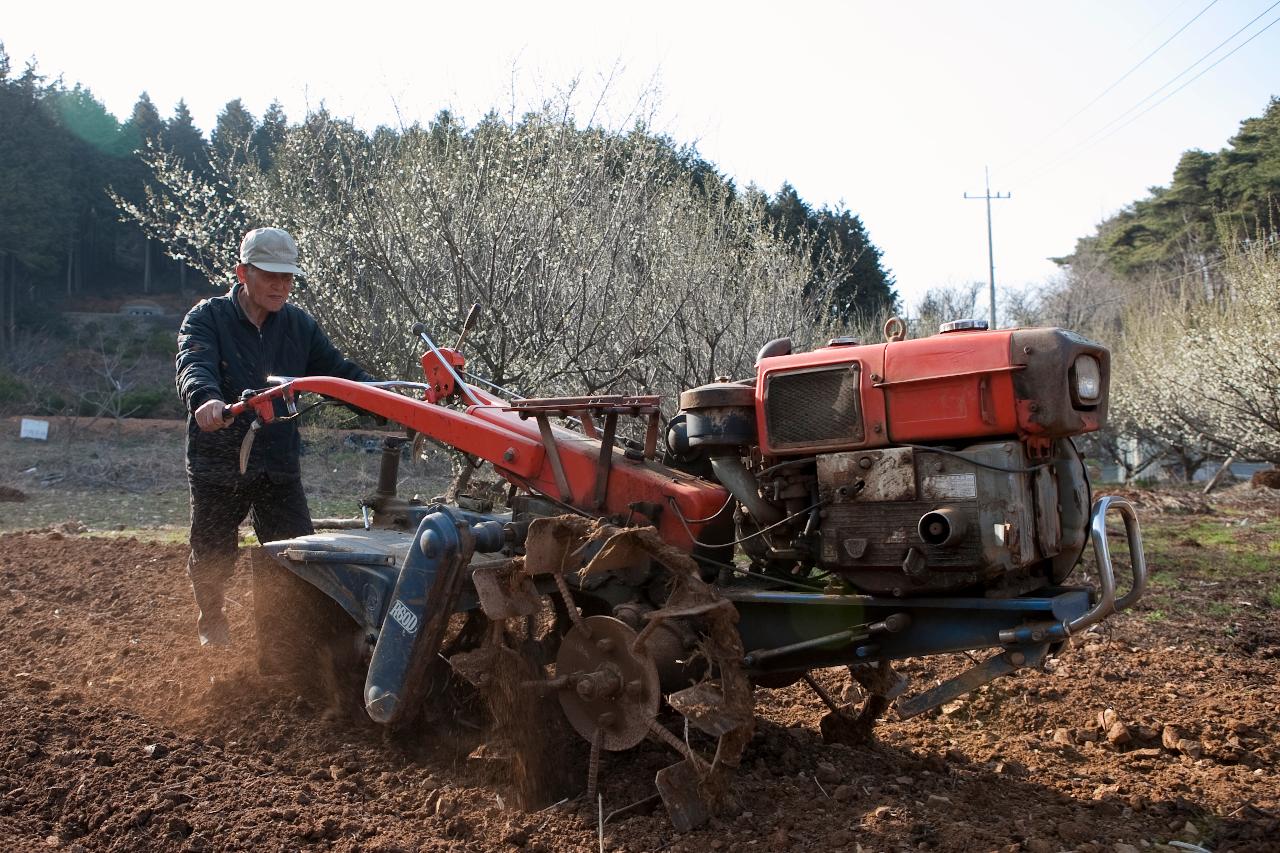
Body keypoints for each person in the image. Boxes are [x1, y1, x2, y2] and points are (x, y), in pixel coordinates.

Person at [175, 227, 373, 646]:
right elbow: (195, 364)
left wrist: (384, 401)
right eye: (270, 276)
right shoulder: (207, 318)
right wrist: (206, 400)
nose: (281, 286)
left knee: (295, 551)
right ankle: (212, 618)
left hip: (277, 461)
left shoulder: (298, 326)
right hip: (220, 460)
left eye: (287, 277)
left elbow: (339, 374)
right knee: (213, 552)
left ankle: (286, 647)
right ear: (243, 272)